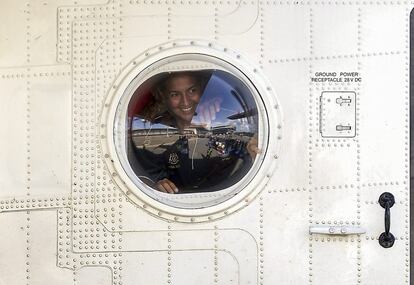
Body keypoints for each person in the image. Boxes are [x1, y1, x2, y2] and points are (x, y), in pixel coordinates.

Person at [131, 71, 259, 194]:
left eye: (192, 91)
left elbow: (241, 151)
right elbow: (150, 175)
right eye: (175, 94)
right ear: (165, 99)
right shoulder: (149, 138)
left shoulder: (219, 126)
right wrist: (157, 184)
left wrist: (251, 149)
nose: (185, 101)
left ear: (202, 92)